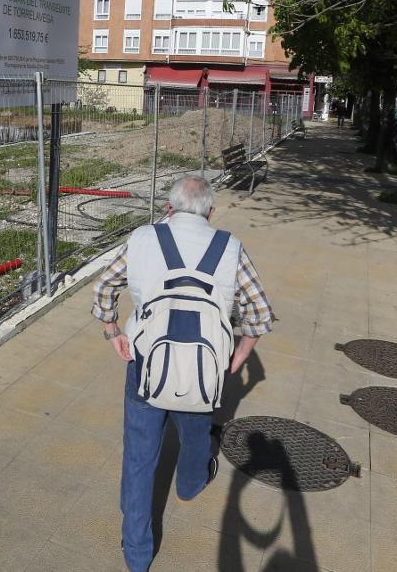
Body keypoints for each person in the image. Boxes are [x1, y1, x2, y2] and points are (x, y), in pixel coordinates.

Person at [92, 175, 274, 572]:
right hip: (202, 371)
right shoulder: (230, 247)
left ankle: (137, 551)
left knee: (140, 453)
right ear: (211, 212)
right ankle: (191, 485)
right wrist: (238, 357)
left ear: (168, 209)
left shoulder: (142, 239)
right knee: (195, 433)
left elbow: (105, 287)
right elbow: (259, 316)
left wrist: (113, 332)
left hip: (145, 364)